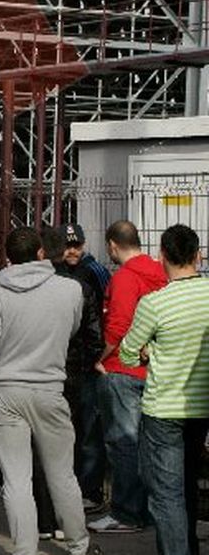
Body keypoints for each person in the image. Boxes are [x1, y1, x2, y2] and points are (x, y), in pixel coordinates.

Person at [0, 227, 96, 555]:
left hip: (6, 389)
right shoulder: (70, 290)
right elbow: (70, 330)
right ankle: (78, 543)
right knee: (62, 474)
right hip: (49, 387)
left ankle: (25, 548)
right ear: (42, 252)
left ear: (9, 257)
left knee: (16, 479)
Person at [118, 224, 209, 555]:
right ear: (198, 256)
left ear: (162, 257)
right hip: (202, 405)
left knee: (167, 493)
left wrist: (150, 351)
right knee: (189, 481)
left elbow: (128, 352)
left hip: (164, 410)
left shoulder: (155, 304)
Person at [89, 219, 167, 534]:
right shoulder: (160, 274)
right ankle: (146, 508)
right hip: (154, 369)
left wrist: (101, 358)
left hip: (122, 367)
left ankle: (126, 512)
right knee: (149, 444)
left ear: (112, 245)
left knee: (122, 443)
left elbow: (118, 326)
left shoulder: (123, 279)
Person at [58, 222, 110, 512]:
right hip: (62, 362)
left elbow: (102, 318)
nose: (73, 250)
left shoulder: (94, 272)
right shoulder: (55, 272)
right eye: (68, 246)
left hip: (86, 364)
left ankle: (90, 490)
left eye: (77, 245)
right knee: (69, 431)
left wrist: (97, 358)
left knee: (88, 431)